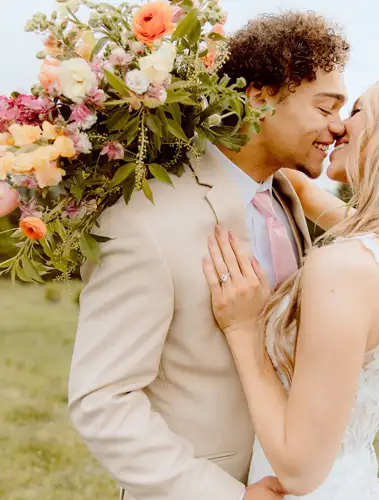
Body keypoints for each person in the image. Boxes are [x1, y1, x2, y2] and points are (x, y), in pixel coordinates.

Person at [67, 12, 349, 500]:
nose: (338, 127)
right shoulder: (144, 219)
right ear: (259, 96)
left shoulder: (285, 197)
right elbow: (102, 400)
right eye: (326, 107)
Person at [202, 73, 379, 499]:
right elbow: (319, 201)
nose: (339, 126)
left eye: (356, 112)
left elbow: (300, 471)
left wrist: (243, 331)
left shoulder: (345, 269)